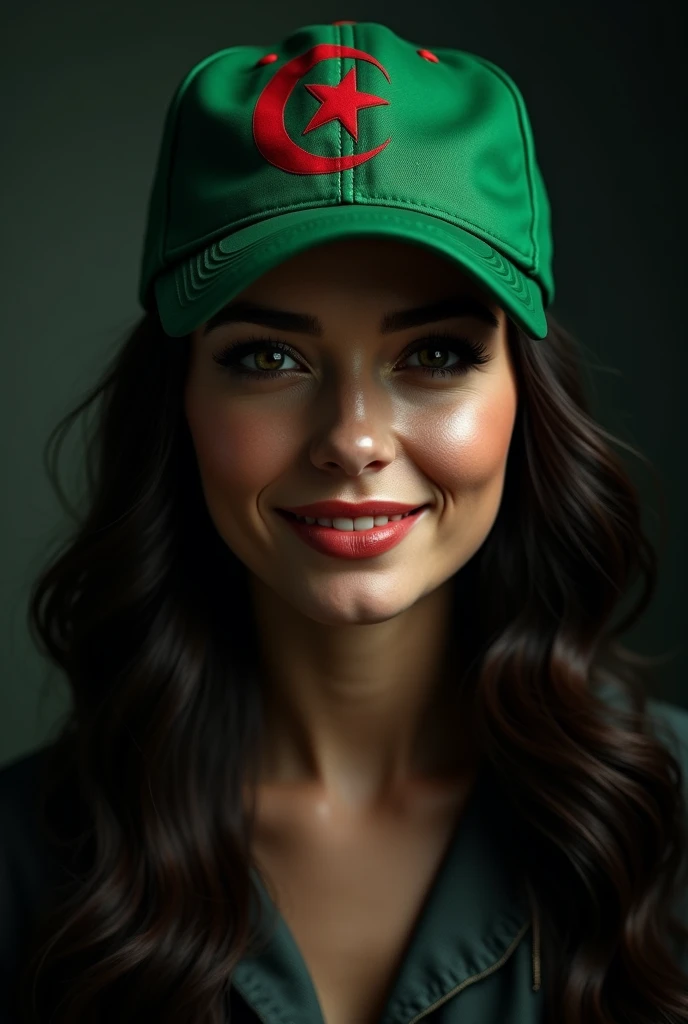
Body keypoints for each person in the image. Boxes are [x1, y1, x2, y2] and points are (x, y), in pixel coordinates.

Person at [1, 18, 687, 1024]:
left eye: (437, 353)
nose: (353, 439)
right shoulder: (23, 863)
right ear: (178, 399)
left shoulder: (672, 822)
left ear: (523, 400)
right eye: (268, 358)